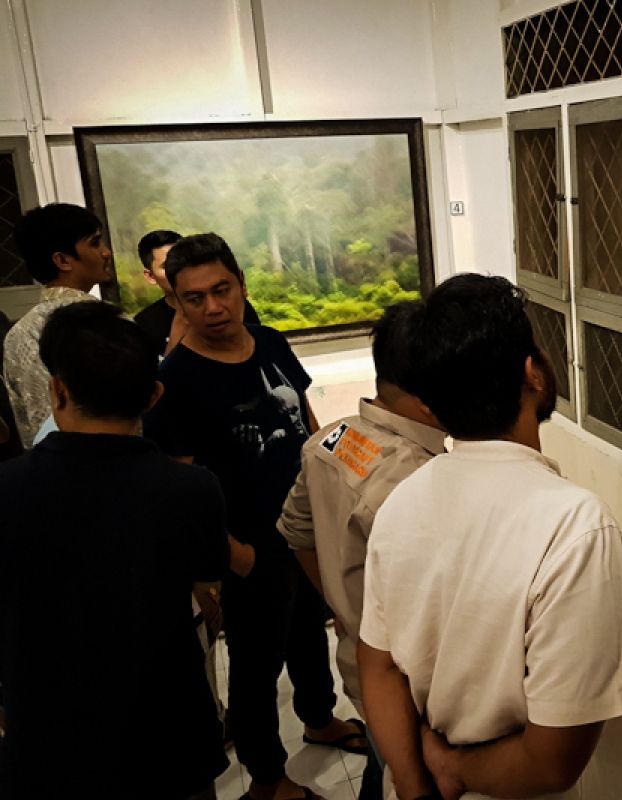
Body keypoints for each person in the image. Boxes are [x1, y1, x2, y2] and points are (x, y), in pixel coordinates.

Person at [359, 274, 622, 800]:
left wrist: (415, 788)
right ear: (532, 374)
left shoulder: (401, 503)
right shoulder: (575, 528)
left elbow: (376, 665)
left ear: (431, 406)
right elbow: (552, 764)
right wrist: (451, 767)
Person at [143, 232, 366, 800]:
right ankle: (267, 776)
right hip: (245, 546)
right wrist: (227, 558)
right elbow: (179, 486)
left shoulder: (269, 341)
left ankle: (319, 717)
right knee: (255, 665)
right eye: (194, 298)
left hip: (303, 527)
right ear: (177, 303)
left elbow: (310, 426)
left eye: (222, 290)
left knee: (309, 632)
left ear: (242, 286)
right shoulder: (177, 380)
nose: (213, 307)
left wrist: (343, 485)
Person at [0, 302, 229, 799]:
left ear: (56, 389)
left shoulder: (7, 487)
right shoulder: (192, 488)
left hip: (48, 736)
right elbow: (207, 577)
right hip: (168, 728)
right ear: (153, 396)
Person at [278, 302, 445, 800]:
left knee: (381, 760)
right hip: (407, 688)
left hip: (357, 662)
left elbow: (295, 530)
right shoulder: (417, 479)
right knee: (407, 772)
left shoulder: (333, 436)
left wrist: (343, 604)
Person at [2, 203, 109, 448]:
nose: (106, 252)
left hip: (44, 475)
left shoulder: (17, 334)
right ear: (62, 260)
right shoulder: (107, 323)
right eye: (95, 242)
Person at [134, 229, 261, 357]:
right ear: (150, 276)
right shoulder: (143, 325)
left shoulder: (237, 307)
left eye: (221, 291)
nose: (213, 308)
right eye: (167, 266)